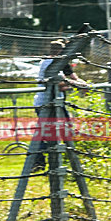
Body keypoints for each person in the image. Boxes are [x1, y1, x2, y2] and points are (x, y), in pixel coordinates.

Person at [31, 39, 87, 171]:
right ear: (59, 52)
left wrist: (82, 84)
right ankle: (40, 161)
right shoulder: (49, 63)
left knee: (66, 129)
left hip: (56, 102)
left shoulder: (59, 63)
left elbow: (69, 78)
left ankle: (68, 162)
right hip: (46, 103)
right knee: (46, 134)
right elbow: (59, 84)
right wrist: (75, 85)